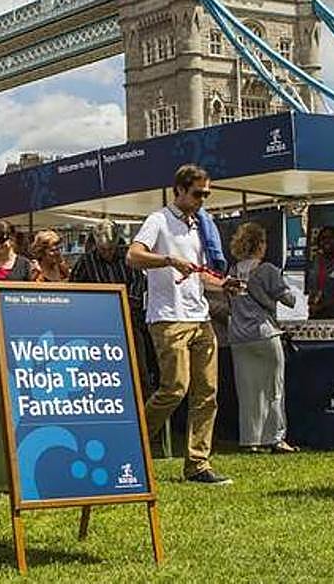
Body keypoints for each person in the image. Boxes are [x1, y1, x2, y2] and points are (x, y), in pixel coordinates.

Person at [127, 164, 241, 486]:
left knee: (207, 394)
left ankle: (197, 465)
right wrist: (167, 260)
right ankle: (132, 445)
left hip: (199, 317)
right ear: (179, 190)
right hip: (168, 317)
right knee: (174, 388)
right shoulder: (158, 220)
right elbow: (133, 257)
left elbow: (198, 273)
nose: (203, 199)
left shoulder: (201, 226)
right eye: (197, 193)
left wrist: (223, 284)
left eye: (206, 193)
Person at [226, 222, 297, 454]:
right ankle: (275, 438)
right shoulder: (267, 270)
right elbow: (289, 300)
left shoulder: (232, 272)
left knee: (247, 392)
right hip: (264, 332)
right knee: (273, 388)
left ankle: (250, 440)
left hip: (238, 336)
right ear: (259, 244)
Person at [71, 220, 153, 392]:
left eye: (110, 249)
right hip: (99, 325)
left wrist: (128, 301)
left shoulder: (129, 256)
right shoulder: (86, 262)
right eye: (103, 250)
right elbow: (74, 290)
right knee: (106, 371)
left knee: (139, 369)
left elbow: (139, 281)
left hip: (129, 320)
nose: (107, 253)